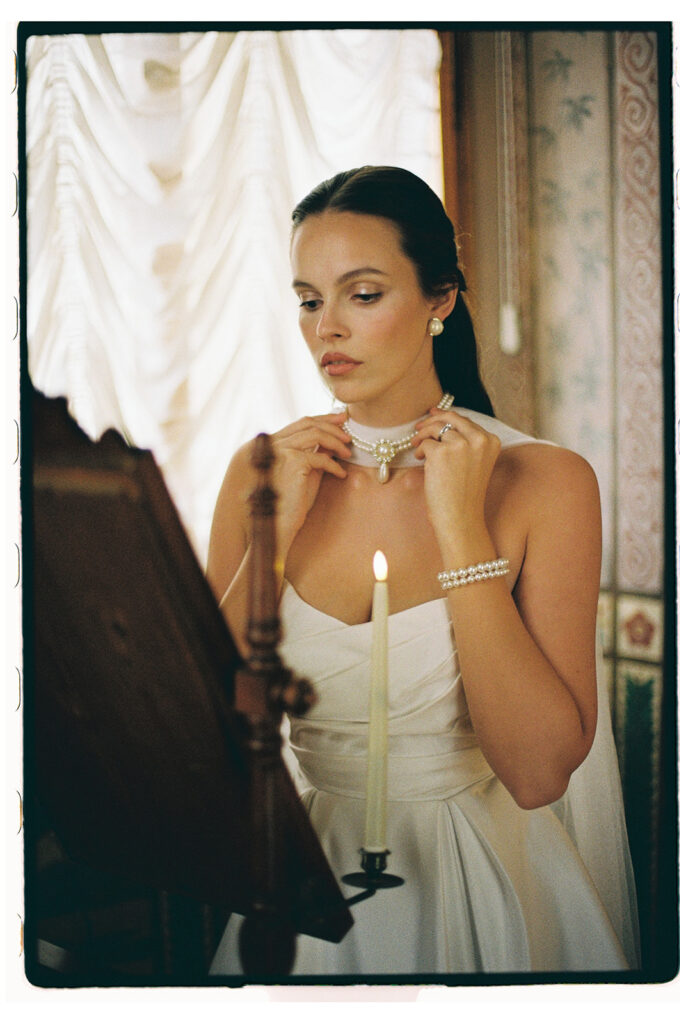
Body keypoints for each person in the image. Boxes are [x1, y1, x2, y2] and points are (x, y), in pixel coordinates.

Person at [206, 166, 639, 976]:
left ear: (440, 299)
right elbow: (201, 740)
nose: (327, 328)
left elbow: (541, 773)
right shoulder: (261, 473)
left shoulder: (545, 481)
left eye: (362, 294)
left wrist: (459, 529)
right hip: (304, 895)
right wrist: (270, 545)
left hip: (486, 895)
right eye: (308, 299)